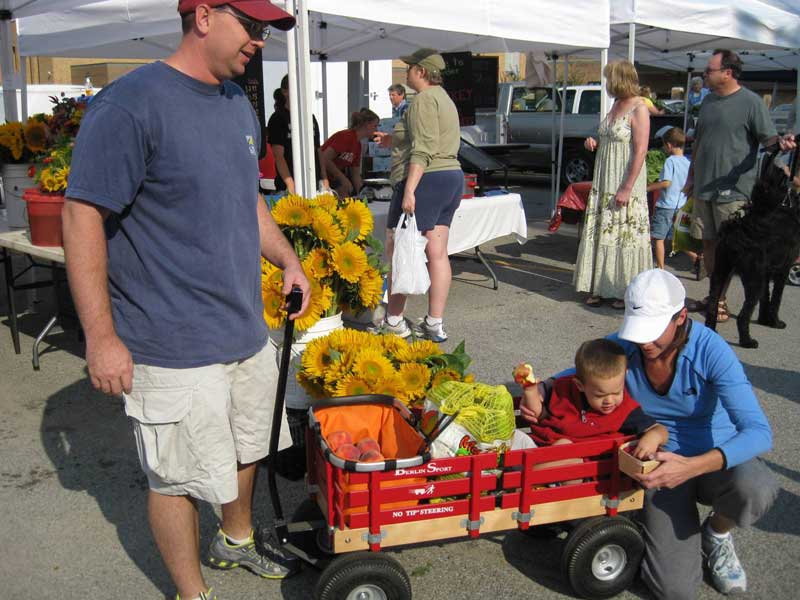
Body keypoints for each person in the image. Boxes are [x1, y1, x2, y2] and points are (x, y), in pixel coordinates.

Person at [61, 2, 312, 599]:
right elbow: (81, 215)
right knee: (174, 476)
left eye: (265, 31)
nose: (259, 41)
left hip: (243, 329)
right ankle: (191, 593)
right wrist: (101, 337)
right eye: (251, 27)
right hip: (168, 340)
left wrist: (287, 259)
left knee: (250, 443)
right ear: (203, 15)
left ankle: (235, 539)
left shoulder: (235, 104)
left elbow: (248, 201)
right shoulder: (130, 105)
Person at [522, 269, 777, 599]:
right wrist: (538, 389)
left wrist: (691, 466)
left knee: (756, 487)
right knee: (674, 591)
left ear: (681, 316)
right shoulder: (627, 345)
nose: (645, 342)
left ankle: (716, 534)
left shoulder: (711, 351)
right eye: (639, 332)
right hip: (654, 467)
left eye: (654, 333)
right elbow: (579, 374)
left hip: (710, 459)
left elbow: (759, 432)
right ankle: (652, 524)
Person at [683, 50, 795, 322]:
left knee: (731, 249)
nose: (704, 74)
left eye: (709, 70)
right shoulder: (708, 101)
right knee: (709, 244)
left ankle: (722, 301)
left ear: (727, 73)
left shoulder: (751, 103)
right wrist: (691, 175)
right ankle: (715, 297)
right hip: (704, 187)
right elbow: (699, 142)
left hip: (733, 192)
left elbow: (768, 141)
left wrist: (783, 143)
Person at [372, 48, 462, 342]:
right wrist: (392, 137)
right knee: (437, 252)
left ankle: (394, 320)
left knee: (398, 247)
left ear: (421, 72)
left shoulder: (423, 99)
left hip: (427, 177)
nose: (406, 71)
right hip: (450, 176)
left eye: (409, 67)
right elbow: (426, 135)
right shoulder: (444, 99)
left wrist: (409, 189)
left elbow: (423, 147)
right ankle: (434, 323)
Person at [519, 339, 668, 475]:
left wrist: (654, 437)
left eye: (617, 392)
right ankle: (520, 478)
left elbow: (659, 430)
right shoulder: (564, 391)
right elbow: (538, 414)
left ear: (625, 376)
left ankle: (520, 482)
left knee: (567, 450)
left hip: (585, 470)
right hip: (542, 449)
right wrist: (531, 391)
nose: (609, 400)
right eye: (599, 395)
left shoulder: (625, 410)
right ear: (579, 385)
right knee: (516, 439)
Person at [575, 61, 652, 309]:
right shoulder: (616, 105)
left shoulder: (639, 107)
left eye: (609, 79)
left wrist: (627, 187)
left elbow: (640, 151)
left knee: (623, 233)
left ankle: (623, 289)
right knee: (604, 229)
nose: (607, 84)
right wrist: (594, 142)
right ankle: (599, 284)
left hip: (623, 178)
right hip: (604, 177)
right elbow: (611, 137)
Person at [267, 74, 328, 196]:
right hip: (289, 187)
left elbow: (318, 150)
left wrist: (324, 179)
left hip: (313, 184)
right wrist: (290, 184)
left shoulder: (310, 118)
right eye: (296, 87)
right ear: (285, 92)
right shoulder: (278, 118)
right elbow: (278, 155)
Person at [646, 127, 690, 269]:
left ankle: (660, 268)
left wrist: (648, 187)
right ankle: (696, 258)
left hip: (666, 205)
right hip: (681, 204)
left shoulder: (670, 161)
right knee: (678, 237)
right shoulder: (687, 162)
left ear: (669, 145)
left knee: (659, 238)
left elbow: (666, 182)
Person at [321, 108, 379, 198]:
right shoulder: (346, 136)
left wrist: (362, 194)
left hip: (332, 178)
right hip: (320, 176)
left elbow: (355, 174)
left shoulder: (358, 145)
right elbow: (324, 158)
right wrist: (343, 179)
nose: (377, 129)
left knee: (345, 192)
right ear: (367, 125)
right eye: (375, 126)